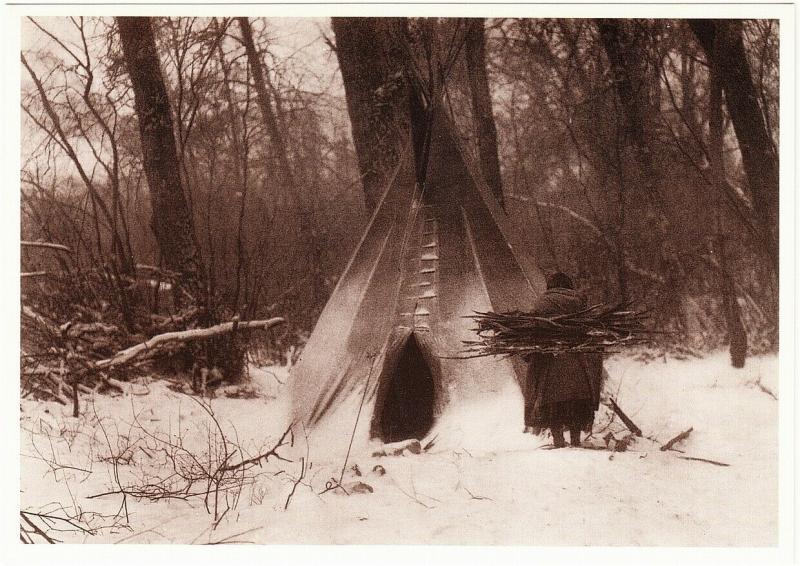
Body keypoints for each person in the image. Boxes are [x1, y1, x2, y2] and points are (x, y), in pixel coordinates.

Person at [524, 272, 604, 448]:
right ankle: (575, 440)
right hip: (578, 363)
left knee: (553, 403)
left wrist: (527, 352)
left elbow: (532, 331)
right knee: (576, 402)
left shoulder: (542, 303)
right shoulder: (580, 302)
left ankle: (558, 440)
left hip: (551, 364)